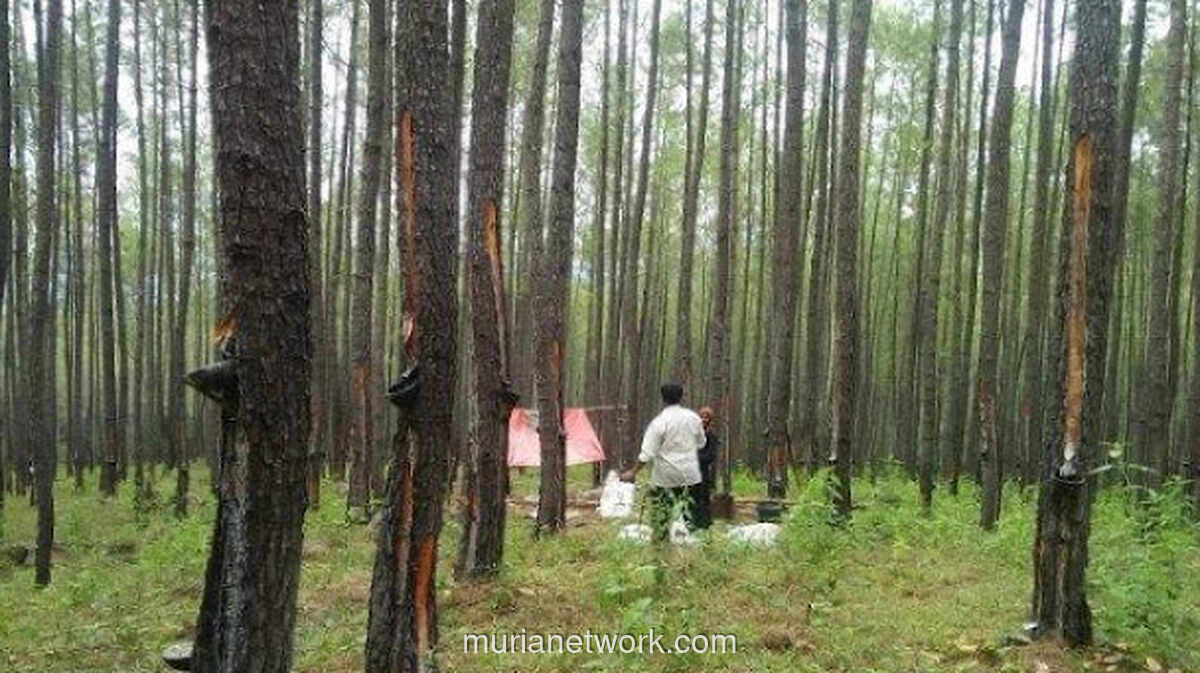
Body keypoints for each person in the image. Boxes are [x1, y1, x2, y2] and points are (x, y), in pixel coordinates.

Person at [620, 383, 705, 543]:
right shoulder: (694, 419)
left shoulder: (659, 422)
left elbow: (647, 454)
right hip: (690, 476)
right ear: (681, 397)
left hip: (665, 477)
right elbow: (701, 443)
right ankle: (693, 549)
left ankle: (661, 547)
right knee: (691, 518)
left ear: (663, 398)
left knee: (662, 517)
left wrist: (633, 472)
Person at [688, 407, 718, 530]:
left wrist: (696, 458)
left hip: (703, 473)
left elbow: (711, 456)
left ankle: (704, 525)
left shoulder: (711, 436)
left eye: (707, 417)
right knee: (691, 498)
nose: (704, 419)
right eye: (702, 417)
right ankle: (690, 524)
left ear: (710, 420)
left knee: (703, 498)